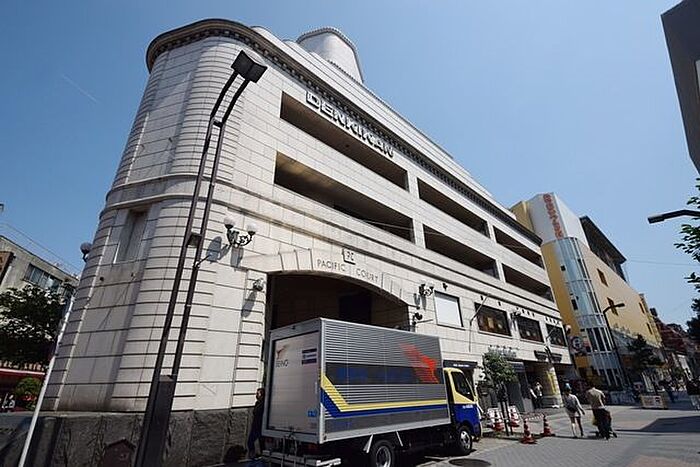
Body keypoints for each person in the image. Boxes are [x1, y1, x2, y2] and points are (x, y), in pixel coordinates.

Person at [247, 387, 265, 459]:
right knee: (251, 441)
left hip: (260, 426)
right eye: (256, 394)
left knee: (257, 442)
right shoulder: (257, 403)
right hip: (255, 426)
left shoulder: (264, 404)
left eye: (258, 394)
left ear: (262, 395)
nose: (256, 395)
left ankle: (261, 456)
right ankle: (254, 455)